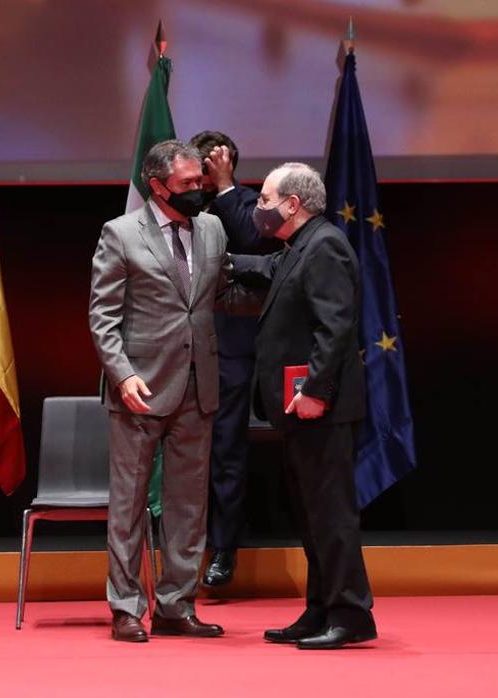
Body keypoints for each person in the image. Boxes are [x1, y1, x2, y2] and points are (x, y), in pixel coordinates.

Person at [89, 140, 232, 642]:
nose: (199, 190)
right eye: (188, 184)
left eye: (201, 182)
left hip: (199, 383)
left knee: (188, 505)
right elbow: (102, 316)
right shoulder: (121, 233)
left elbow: (214, 296)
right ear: (157, 185)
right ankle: (126, 607)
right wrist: (122, 374)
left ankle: (175, 604)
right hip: (140, 388)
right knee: (128, 506)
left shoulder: (213, 227)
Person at [232, 162, 376, 649]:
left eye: (266, 200)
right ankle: (320, 609)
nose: (260, 209)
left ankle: (351, 614)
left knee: (331, 515)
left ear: (293, 205)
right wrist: (211, 258)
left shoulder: (326, 244)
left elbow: (334, 328)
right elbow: (267, 269)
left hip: (321, 407)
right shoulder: (299, 247)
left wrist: (315, 390)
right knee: (312, 515)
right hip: (299, 409)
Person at [189, 130, 265, 588]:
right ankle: (175, 546)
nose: (201, 174)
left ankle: (223, 549)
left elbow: (253, 240)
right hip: (179, 349)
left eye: (210, 165)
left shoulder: (251, 204)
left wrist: (226, 187)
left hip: (231, 351)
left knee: (226, 452)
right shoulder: (181, 205)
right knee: (178, 455)